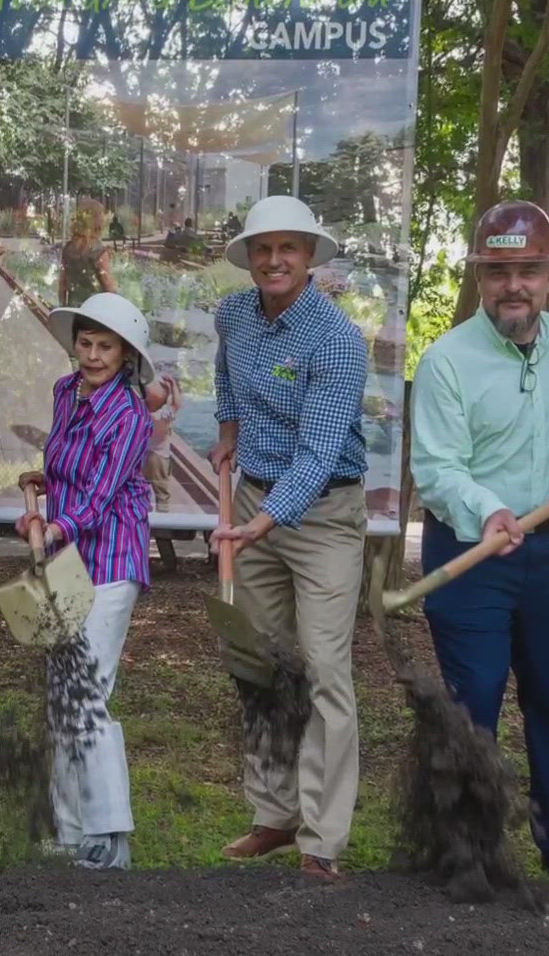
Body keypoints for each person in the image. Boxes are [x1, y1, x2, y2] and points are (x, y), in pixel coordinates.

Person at [410, 200, 549, 891]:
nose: (515, 285)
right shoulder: (448, 360)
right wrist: (488, 510)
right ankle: (468, 851)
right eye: (500, 270)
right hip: (469, 550)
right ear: (480, 275)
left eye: (529, 270)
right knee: (473, 702)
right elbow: (438, 469)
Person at [209, 195, 367, 882]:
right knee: (264, 665)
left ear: (310, 259)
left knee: (325, 672)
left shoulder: (336, 340)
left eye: (289, 249)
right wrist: (226, 427)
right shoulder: (233, 315)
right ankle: (273, 815)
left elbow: (320, 452)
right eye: (262, 249)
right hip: (253, 498)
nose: (274, 261)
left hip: (322, 514)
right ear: (249, 258)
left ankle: (321, 838)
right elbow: (224, 372)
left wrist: (267, 522)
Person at [18, 293, 155, 870]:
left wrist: (54, 526)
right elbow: (68, 468)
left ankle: (110, 837)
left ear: (126, 356)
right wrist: (41, 486)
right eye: (86, 343)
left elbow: (99, 495)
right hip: (64, 560)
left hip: (111, 561)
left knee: (87, 696)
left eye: (106, 347)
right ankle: (69, 833)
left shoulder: (130, 413)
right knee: (60, 699)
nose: (93, 355)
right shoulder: (64, 392)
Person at [59, 198, 116, 307]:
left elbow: (62, 285)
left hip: (74, 309)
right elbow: (110, 287)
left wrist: (63, 306)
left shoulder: (68, 249)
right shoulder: (98, 252)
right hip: (95, 312)